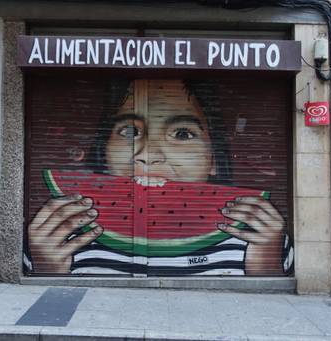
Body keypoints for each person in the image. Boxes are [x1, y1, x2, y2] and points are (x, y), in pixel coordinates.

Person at [27, 79, 291, 275]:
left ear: (213, 158)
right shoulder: (57, 233)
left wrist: (265, 266)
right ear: (103, 151)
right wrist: (46, 267)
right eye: (129, 132)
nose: (148, 154)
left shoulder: (260, 236)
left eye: (183, 134)